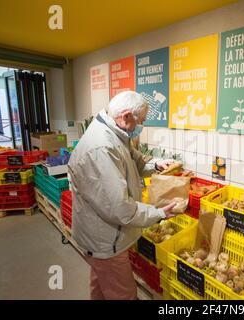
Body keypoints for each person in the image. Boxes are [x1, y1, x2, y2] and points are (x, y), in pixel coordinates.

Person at [68, 91, 177, 300]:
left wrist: (156, 164)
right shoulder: (101, 147)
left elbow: (132, 159)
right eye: (141, 121)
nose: (141, 126)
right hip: (106, 240)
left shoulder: (114, 132)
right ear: (126, 116)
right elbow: (119, 208)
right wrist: (157, 213)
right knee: (124, 294)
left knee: (101, 285)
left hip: (102, 237)